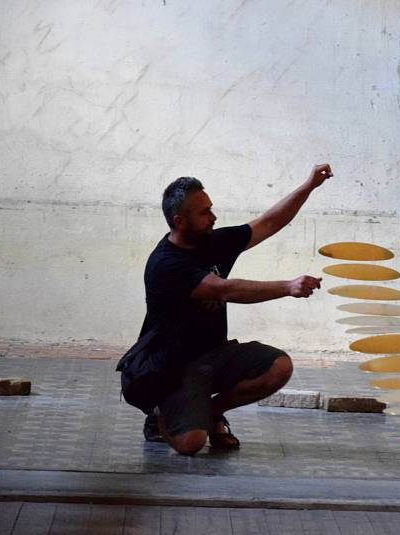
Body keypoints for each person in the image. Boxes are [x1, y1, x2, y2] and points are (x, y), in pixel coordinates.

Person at [138, 163, 333, 456]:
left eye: (210, 208)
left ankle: (211, 411)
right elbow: (226, 290)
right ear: (179, 221)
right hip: (174, 368)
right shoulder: (167, 264)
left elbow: (268, 222)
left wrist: (309, 186)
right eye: (204, 213)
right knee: (192, 445)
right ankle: (160, 416)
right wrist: (287, 287)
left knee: (279, 367)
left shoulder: (212, 242)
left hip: (215, 355)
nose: (213, 217)